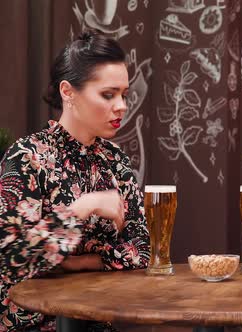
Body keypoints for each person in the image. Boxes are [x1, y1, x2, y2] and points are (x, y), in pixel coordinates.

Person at [0, 29, 150, 331]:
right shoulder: (26, 157)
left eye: (124, 94)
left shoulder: (115, 159)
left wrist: (69, 263)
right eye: (108, 94)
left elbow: (141, 251)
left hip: (97, 321)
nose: (121, 105)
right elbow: (12, 260)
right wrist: (81, 208)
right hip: (33, 325)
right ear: (68, 92)